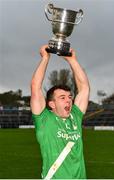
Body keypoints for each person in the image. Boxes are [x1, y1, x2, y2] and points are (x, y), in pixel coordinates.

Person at [30, 45, 90, 179]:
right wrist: (45, 58)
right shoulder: (44, 120)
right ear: (51, 104)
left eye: (70, 97)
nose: (68, 101)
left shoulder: (75, 115)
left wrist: (72, 60)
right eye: (62, 98)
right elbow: (35, 87)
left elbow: (84, 88)